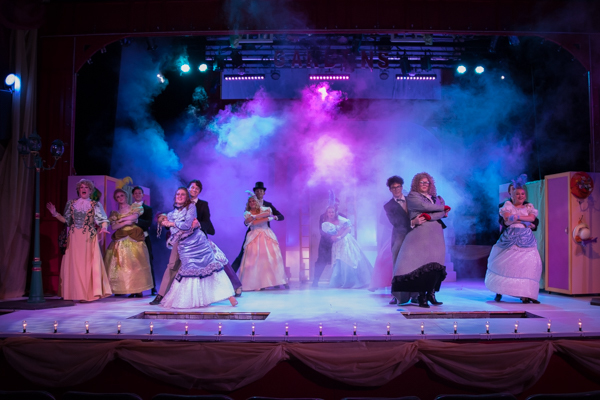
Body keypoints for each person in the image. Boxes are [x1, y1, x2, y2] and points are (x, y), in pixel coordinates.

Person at [158, 187, 237, 308]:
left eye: (183, 194)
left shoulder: (191, 208)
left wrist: (172, 224)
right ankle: (193, 300)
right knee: (190, 270)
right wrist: (175, 226)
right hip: (185, 247)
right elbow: (177, 231)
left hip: (199, 243)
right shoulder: (171, 214)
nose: (180, 196)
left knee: (212, 267)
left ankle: (230, 297)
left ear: (187, 197)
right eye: (178, 194)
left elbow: (186, 225)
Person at [150, 179, 219, 305]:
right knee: (173, 266)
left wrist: (198, 224)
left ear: (199, 192)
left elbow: (205, 223)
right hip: (181, 240)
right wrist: (164, 220)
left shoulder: (201, 205)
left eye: (197, 189)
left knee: (209, 265)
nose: (194, 190)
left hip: (197, 241)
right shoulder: (179, 204)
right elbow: (174, 220)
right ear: (188, 188)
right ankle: (161, 295)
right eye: (192, 187)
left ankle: (210, 296)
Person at [46, 179, 112, 302]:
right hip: (74, 237)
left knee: (86, 264)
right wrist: (55, 214)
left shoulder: (95, 204)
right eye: (81, 187)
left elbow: (103, 219)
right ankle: (74, 293)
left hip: (88, 236)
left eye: (86, 187)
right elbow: (67, 221)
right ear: (79, 189)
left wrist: (103, 228)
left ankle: (87, 294)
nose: (84, 189)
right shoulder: (71, 203)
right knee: (74, 264)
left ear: (90, 190)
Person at [391, 172, 449, 308]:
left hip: (436, 235)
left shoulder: (436, 198)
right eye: (421, 182)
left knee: (436, 264)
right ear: (417, 183)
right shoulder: (413, 196)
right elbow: (426, 208)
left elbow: (442, 213)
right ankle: (422, 296)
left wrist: (431, 216)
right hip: (421, 234)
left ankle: (431, 293)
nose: (424, 185)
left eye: (427, 182)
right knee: (423, 265)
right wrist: (441, 209)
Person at [485, 175, 542, 304]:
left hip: (526, 239)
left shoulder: (529, 207)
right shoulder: (506, 205)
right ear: (511, 194)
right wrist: (521, 219)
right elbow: (506, 219)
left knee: (529, 265)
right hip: (510, 238)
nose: (520, 196)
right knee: (504, 263)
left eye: (522, 194)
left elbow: (533, 220)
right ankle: (499, 291)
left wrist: (518, 218)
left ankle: (527, 294)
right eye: (517, 194)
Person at [104, 189, 154, 297]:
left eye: (122, 195)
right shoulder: (114, 213)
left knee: (136, 264)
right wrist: (125, 222)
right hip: (120, 240)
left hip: (134, 239)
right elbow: (113, 226)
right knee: (121, 266)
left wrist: (121, 221)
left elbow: (134, 218)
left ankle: (137, 289)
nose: (120, 198)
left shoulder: (134, 207)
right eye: (118, 197)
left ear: (126, 196)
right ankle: (124, 288)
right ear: (116, 199)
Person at [237, 192, 288, 291]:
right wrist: (265, 218)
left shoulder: (264, 209)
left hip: (266, 235)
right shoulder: (247, 213)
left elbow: (269, 213)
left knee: (271, 258)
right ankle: (256, 283)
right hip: (254, 236)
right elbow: (255, 222)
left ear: (256, 202)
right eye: (250, 201)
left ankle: (275, 281)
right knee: (254, 260)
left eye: (253, 201)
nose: (251, 202)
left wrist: (259, 216)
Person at [231, 182, 285, 274]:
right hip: (253, 232)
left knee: (269, 256)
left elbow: (281, 216)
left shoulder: (268, 205)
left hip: (265, 233)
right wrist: (247, 221)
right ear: (254, 193)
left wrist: (274, 217)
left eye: (261, 191)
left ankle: (274, 279)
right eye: (257, 191)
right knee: (243, 254)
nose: (259, 192)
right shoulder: (251, 203)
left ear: (264, 193)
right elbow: (247, 219)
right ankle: (231, 275)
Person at [380, 176, 414, 304]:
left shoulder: (411, 200)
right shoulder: (388, 206)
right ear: (390, 189)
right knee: (398, 265)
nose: (396, 189)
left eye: (398, 186)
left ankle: (415, 294)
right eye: (393, 188)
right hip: (399, 235)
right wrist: (413, 222)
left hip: (414, 235)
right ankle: (397, 295)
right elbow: (395, 222)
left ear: (402, 186)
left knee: (415, 265)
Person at [322, 206, 373, 289]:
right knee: (339, 260)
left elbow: (348, 228)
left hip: (346, 240)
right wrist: (340, 232)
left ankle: (353, 281)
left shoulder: (340, 219)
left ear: (335, 212)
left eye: (332, 212)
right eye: (329, 212)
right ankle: (341, 281)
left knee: (349, 258)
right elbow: (333, 233)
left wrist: (341, 235)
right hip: (337, 243)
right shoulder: (325, 224)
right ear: (327, 213)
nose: (331, 213)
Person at [312, 192, 345, 287]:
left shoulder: (342, 217)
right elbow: (321, 230)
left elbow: (346, 230)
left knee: (339, 262)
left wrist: (339, 237)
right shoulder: (323, 216)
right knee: (321, 261)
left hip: (338, 243)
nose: (335, 206)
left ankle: (340, 282)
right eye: (333, 203)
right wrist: (330, 237)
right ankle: (315, 281)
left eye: (336, 204)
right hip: (325, 243)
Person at [132, 186, 157, 295]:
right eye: (135, 193)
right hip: (132, 238)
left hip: (144, 237)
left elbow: (148, 223)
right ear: (133, 195)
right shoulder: (130, 208)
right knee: (133, 263)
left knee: (148, 261)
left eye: (139, 193)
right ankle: (134, 289)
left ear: (143, 195)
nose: (137, 195)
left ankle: (153, 287)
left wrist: (136, 220)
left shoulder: (147, 209)